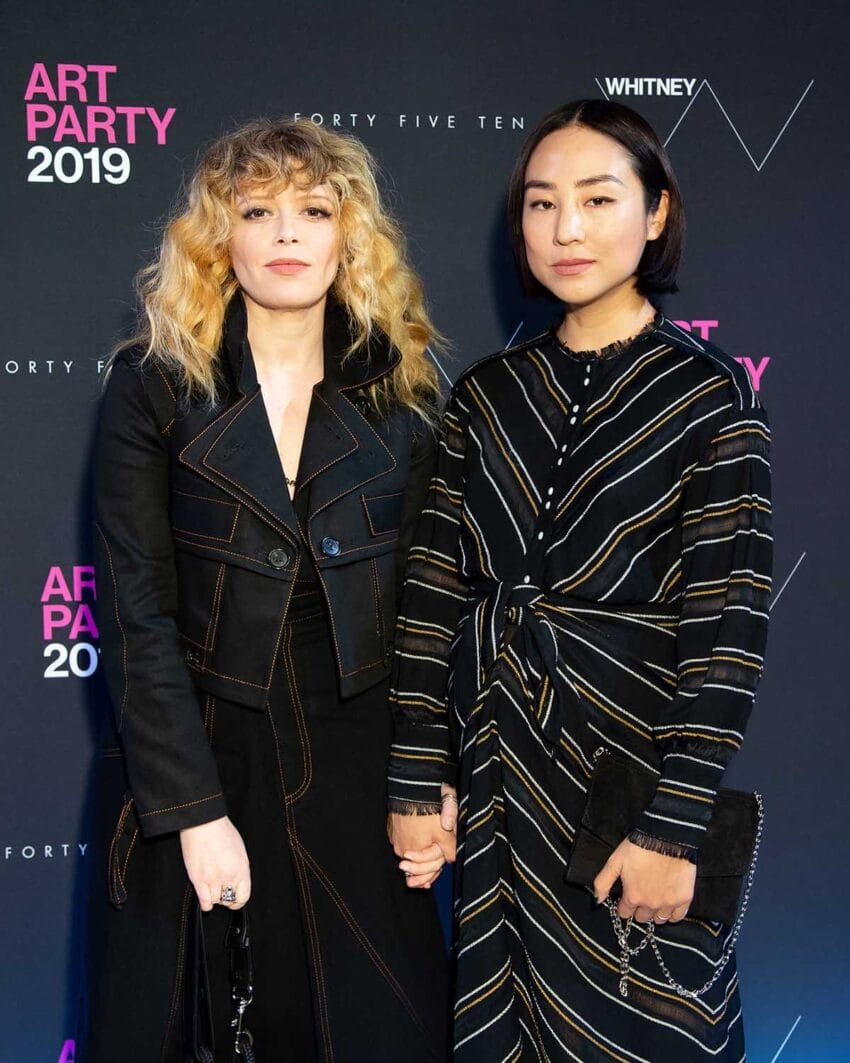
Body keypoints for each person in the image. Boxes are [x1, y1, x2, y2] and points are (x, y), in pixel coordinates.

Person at [388, 99, 772, 1060]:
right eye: (541, 203)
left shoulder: (708, 397)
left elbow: (726, 630)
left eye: (598, 200)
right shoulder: (482, 396)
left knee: (655, 1024)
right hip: (500, 776)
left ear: (655, 213)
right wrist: (415, 774)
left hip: (627, 784)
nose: (565, 229)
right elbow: (433, 595)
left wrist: (674, 826)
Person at [82, 118, 451, 1062]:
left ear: (347, 236)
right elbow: (137, 616)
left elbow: (429, 614)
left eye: (313, 210)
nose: (288, 234)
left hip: (361, 770)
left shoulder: (404, 397)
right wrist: (194, 814)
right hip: (202, 753)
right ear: (220, 237)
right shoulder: (154, 386)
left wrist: (428, 779)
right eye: (259, 211)